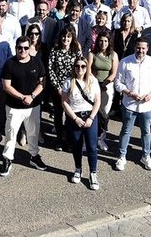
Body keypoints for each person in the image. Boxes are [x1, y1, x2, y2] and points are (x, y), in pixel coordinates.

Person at [0, 36, 47, 177]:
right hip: (14, 107)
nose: (22, 50)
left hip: (33, 106)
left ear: (30, 48)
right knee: (11, 133)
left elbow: (42, 83)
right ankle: (7, 159)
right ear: (16, 48)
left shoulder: (37, 63)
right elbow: (6, 86)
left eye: (25, 47)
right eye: (20, 48)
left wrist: (32, 96)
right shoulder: (9, 64)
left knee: (33, 132)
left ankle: (34, 156)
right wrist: (22, 97)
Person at [114, 38, 151, 172]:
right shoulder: (125, 61)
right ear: (135, 47)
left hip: (146, 105)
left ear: (147, 48)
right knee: (126, 130)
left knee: (146, 131)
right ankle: (122, 156)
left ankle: (146, 156)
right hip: (129, 103)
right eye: (138, 48)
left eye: (143, 48)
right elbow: (118, 83)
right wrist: (129, 93)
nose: (140, 51)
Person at [61, 53, 102, 190]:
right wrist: (75, 118)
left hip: (90, 115)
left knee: (91, 146)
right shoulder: (68, 81)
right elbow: (65, 102)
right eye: (77, 66)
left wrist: (90, 118)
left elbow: (97, 101)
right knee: (77, 146)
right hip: (75, 117)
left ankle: (93, 173)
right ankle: (78, 169)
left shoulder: (92, 80)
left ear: (87, 67)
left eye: (83, 66)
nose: (80, 69)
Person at [47, 27, 84, 152]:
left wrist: (73, 87)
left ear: (72, 38)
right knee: (58, 115)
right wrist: (58, 87)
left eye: (68, 36)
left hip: (72, 89)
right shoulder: (55, 51)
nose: (66, 39)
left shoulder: (76, 52)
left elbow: (81, 68)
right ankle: (59, 140)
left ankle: (69, 140)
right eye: (64, 36)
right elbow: (51, 70)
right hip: (57, 89)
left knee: (70, 116)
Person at [89, 33, 118, 151]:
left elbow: (114, 73)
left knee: (104, 113)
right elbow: (88, 71)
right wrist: (95, 82)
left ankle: (101, 138)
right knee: (94, 112)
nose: (103, 43)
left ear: (109, 42)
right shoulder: (92, 54)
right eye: (101, 41)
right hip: (94, 85)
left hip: (107, 86)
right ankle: (91, 138)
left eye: (106, 41)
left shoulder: (113, 55)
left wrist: (106, 82)